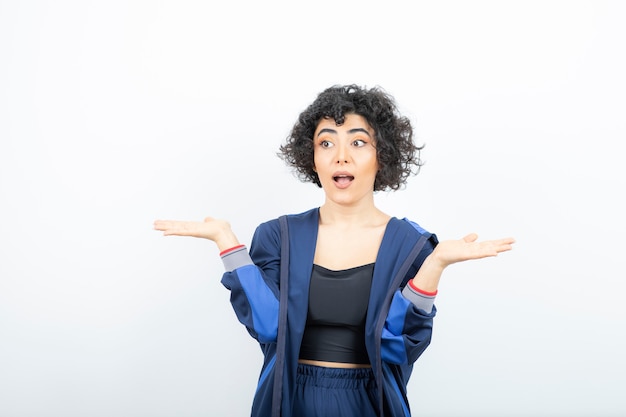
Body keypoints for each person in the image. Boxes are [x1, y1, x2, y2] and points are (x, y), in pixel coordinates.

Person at [154, 84, 515, 417]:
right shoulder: (279, 235)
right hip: (291, 400)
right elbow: (268, 326)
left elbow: (399, 347)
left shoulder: (410, 244)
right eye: (326, 143)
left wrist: (435, 264)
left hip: (368, 403)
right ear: (311, 159)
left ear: (382, 155)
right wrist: (227, 242)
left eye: (358, 142)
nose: (340, 156)